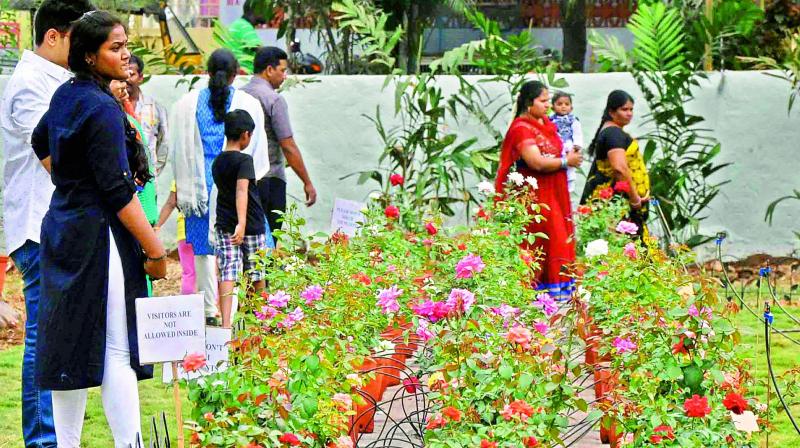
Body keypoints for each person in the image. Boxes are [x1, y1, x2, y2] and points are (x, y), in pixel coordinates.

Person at [30, 10, 167, 447]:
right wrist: (156, 251)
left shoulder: (66, 95)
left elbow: (40, 142)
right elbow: (118, 191)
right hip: (98, 238)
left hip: (62, 228)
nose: (126, 54)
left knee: (67, 349)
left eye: (126, 45)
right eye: (115, 47)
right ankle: (130, 443)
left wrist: (72, 181)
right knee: (115, 351)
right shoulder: (103, 108)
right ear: (90, 56)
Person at [0, 1, 94, 445]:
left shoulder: (61, 81)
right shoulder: (28, 86)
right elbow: (64, 153)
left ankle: (57, 436)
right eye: (81, 37)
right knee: (44, 336)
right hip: (39, 228)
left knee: (60, 335)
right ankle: (42, 440)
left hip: (60, 226)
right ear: (53, 36)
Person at [170, 48, 269, 325]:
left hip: (201, 183)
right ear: (237, 73)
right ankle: (244, 309)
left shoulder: (188, 103)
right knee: (247, 251)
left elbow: (178, 149)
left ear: (208, 72)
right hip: (236, 182)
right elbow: (257, 148)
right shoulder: (248, 102)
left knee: (205, 250)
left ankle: (209, 311)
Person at [495, 81, 582, 301]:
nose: (548, 106)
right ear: (528, 102)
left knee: (559, 238)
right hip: (535, 195)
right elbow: (536, 162)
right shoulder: (521, 128)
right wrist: (566, 161)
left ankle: (559, 296)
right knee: (542, 241)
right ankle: (535, 296)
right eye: (543, 101)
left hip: (554, 191)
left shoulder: (547, 124)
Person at [241, 46, 316, 237]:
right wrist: (307, 182)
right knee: (271, 238)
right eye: (282, 70)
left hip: (241, 178)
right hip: (270, 178)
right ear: (269, 70)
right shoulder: (274, 100)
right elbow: (287, 145)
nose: (285, 76)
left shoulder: (238, 95)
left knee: (246, 236)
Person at [212, 110, 269, 327]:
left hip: (224, 224)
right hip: (251, 225)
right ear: (245, 134)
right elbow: (242, 190)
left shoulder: (217, 161)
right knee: (256, 271)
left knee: (228, 271)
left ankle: (226, 324)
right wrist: (242, 223)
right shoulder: (244, 160)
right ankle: (254, 320)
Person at [580, 90, 651, 233]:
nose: (629, 113)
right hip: (617, 200)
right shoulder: (613, 133)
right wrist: (634, 199)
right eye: (624, 109)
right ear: (612, 112)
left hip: (620, 199)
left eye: (631, 109)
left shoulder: (611, 131)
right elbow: (619, 168)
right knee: (624, 245)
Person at [127, 54, 170, 175]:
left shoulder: (156, 108)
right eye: (124, 74)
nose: (127, 79)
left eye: (131, 74)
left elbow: (164, 143)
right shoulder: (113, 106)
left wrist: (153, 170)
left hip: (148, 177)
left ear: (140, 77)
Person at [154, 183, 196, 295]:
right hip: (205, 230)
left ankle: (189, 308)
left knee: (189, 273)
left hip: (184, 230)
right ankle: (210, 308)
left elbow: (171, 203)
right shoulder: (208, 170)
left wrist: (157, 226)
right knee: (208, 273)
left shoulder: (180, 175)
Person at [549, 92, 584, 195]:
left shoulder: (573, 120)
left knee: (570, 167)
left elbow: (578, 133)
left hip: (568, 145)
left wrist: (577, 144)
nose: (563, 107)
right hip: (555, 146)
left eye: (566, 104)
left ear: (571, 107)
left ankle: (570, 186)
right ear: (553, 107)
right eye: (559, 104)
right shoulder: (550, 120)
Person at [228, 0, 267, 74]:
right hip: (245, 72)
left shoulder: (238, 24)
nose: (265, 14)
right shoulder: (245, 26)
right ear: (254, 11)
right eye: (263, 10)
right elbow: (262, 51)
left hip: (235, 71)